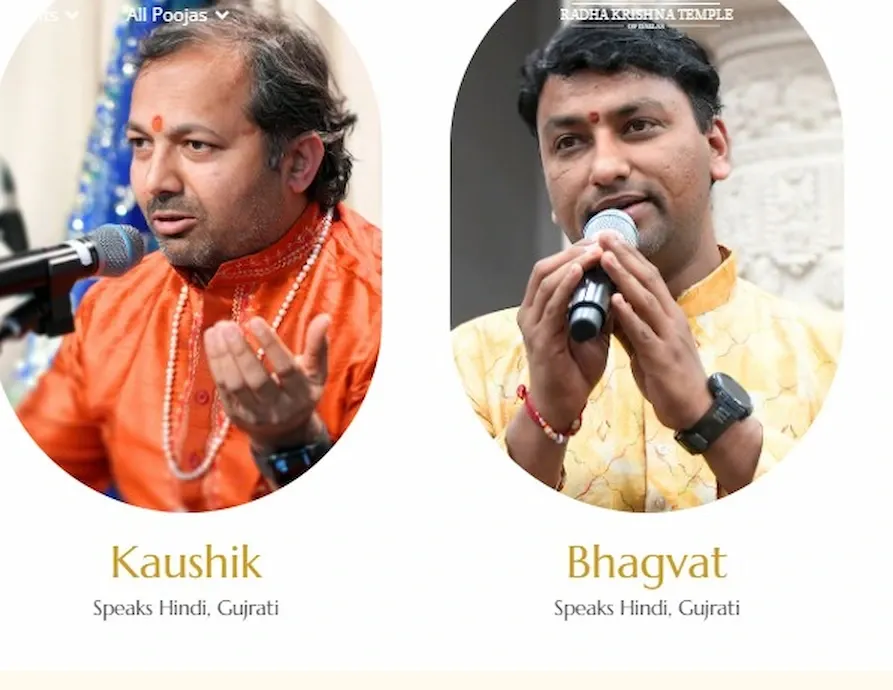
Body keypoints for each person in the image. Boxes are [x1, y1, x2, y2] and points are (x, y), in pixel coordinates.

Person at [451, 22, 841, 512]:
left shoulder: (832, 358)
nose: (605, 168)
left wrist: (709, 417)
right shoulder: (466, 363)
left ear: (716, 148)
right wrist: (544, 417)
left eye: (637, 126)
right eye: (570, 142)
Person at [15, 7, 382, 512]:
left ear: (297, 162)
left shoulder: (383, 309)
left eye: (196, 145)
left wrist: (295, 446)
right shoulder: (113, 308)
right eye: (141, 144)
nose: (153, 182)